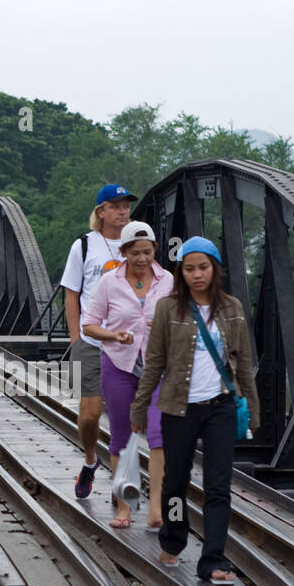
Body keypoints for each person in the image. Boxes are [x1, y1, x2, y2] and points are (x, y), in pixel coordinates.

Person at [130, 236, 261, 583]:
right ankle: (173, 541)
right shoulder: (168, 309)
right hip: (178, 407)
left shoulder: (232, 308)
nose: (197, 275)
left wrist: (254, 411)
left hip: (221, 407)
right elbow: (154, 362)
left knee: (218, 486)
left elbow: (244, 365)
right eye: (189, 269)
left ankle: (214, 560)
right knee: (175, 482)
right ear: (181, 272)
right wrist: (140, 406)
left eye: (203, 267)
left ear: (215, 269)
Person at [81, 221, 173, 529]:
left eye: (147, 252)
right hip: (119, 366)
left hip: (159, 369)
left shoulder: (168, 281)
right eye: (135, 253)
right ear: (123, 252)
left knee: (159, 436)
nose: (142, 259)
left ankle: (156, 506)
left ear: (155, 250)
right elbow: (89, 324)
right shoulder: (110, 281)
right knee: (122, 437)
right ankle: (124, 507)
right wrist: (112, 335)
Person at [61, 183, 135, 498]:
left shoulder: (138, 246)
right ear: (100, 212)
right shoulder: (84, 245)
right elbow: (71, 293)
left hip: (129, 347)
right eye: (115, 205)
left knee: (126, 419)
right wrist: (75, 337)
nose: (122, 211)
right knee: (89, 414)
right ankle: (91, 460)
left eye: (126, 205)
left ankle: (124, 485)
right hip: (90, 345)